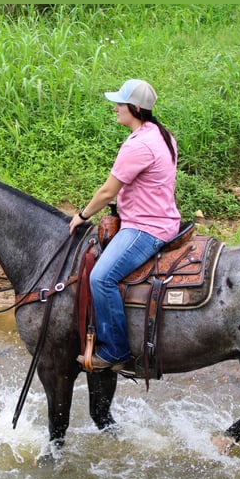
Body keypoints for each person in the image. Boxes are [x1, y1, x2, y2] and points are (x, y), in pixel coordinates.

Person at [69, 78, 181, 371]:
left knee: (101, 278)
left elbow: (107, 191)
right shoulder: (161, 134)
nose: (115, 108)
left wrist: (81, 216)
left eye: (120, 103)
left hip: (146, 227)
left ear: (134, 107)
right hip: (160, 217)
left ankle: (116, 350)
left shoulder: (140, 145)